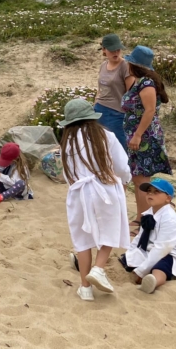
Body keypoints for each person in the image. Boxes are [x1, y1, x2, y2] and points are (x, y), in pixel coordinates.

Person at [59, 99, 131, 301]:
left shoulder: (68, 142)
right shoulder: (105, 135)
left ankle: (85, 288)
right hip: (105, 188)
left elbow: (68, 174)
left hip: (79, 192)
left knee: (82, 240)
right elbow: (122, 166)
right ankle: (99, 269)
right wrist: (124, 181)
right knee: (110, 230)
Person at [120, 178, 176, 294]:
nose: (150, 194)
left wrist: (142, 271)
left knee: (161, 265)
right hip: (153, 249)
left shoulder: (170, 220)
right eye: (149, 191)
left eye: (156, 192)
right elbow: (139, 238)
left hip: (172, 253)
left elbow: (162, 248)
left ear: (168, 199)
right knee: (128, 259)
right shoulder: (149, 213)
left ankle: (154, 281)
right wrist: (130, 253)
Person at [122, 45, 172, 232]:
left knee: (142, 180)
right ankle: (141, 217)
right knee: (138, 179)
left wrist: (137, 135)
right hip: (138, 137)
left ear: (135, 64)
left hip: (143, 138)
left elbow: (150, 111)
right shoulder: (140, 81)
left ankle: (143, 220)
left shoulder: (146, 84)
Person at [94, 34, 134, 152]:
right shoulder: (103, 65)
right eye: (112, 50)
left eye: (118, 49)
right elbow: (100, 88)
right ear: (104, 50)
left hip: (117, 113)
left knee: (121, 149)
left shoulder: (125, 66)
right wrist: (95, 104)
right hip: (99, 110)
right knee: (101, 146)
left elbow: (131, 93)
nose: (116, 52)